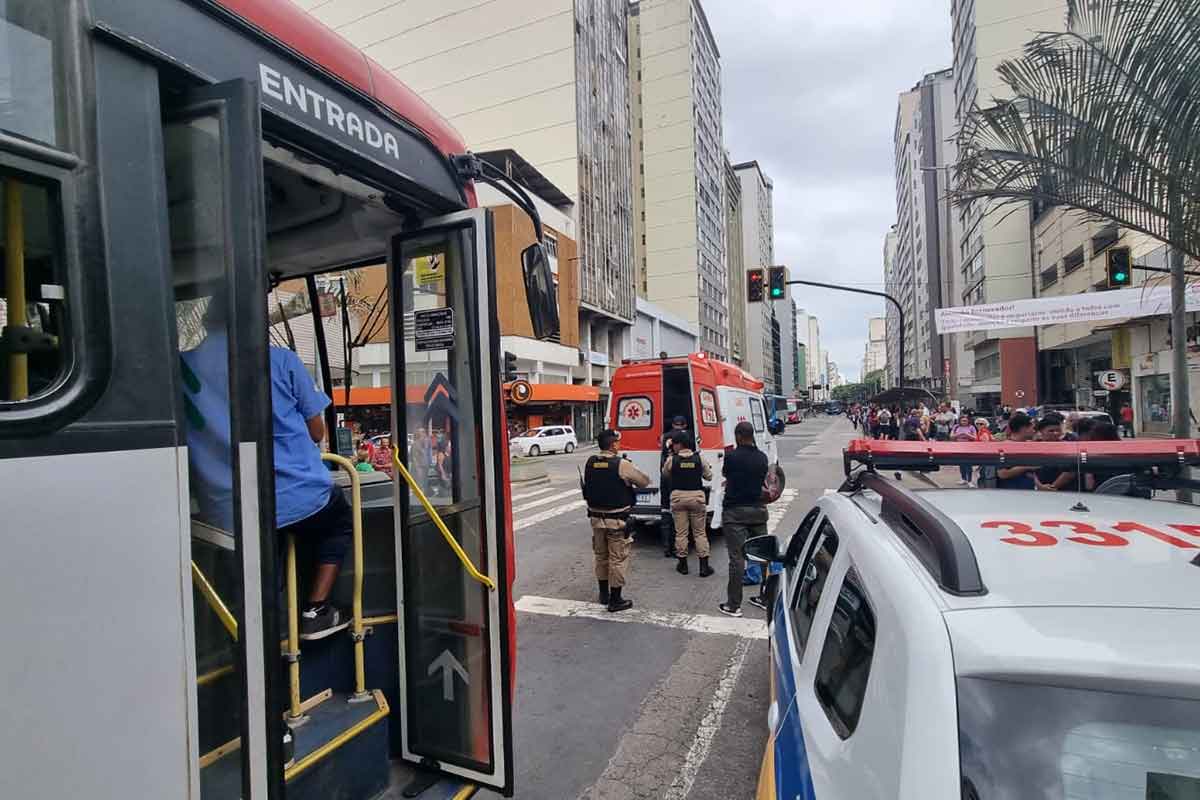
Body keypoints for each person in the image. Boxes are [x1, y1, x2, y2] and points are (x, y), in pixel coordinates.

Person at [183, 297, 351, 639]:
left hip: (225, 507)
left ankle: (259, 631)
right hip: (298, 495)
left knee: (258, 562)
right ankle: (315, 609)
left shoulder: (183, 367)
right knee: (337, 523)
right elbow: (317, 430)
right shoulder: (280, 360)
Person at [582, 429, 650, 612]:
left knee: (601, 557)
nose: (619, 445)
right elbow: (644, 482)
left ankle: (603, 594)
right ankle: (616, 599)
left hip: (596, 519)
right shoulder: (622, 464)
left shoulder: (590, 462)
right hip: (617, 521)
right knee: (617, 559)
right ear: (613, 445)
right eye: (617, 442)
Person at [719, 422, 769, 618]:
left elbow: (726, 474)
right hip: (758, 511)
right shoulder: (762, 457)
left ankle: (733, 605)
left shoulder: (732, 457)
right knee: (764, 555)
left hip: (735, 513)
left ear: (739, 436)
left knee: (737, 559)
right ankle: (765, 598)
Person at [661, 432, 714, 577]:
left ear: (679, 445)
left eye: (675, 444)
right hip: (697, 498)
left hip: (678, 499)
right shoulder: (699, 458)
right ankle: (704, 566)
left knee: (681, 533)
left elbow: (665, 474)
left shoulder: (672, 460)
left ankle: (683, 565)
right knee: (700, 533)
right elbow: (709, 476)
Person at [658, 415, 690, 558]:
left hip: (665, 476)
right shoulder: (686, 435)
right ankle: (680, 548)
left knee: (665, 510)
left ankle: (667, 548)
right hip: (680, 477)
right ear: (684, 425)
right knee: (680, 514)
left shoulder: (664, 436)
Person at [995, 412, 1042, 490]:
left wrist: (1040, 486)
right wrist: (1027, 466)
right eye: (1032, 428)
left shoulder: (1030, 445)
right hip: (1010, 493)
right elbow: (1002, 473)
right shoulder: (1004, 447)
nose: (1034, 431)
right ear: (1023, 428)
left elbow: (1031, 474)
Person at [951, 413, 977, 485]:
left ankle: (970, 480)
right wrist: (959, 434)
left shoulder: (972, 427)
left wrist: (967, 435)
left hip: (969, 448)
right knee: (961, 463)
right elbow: (951, 436)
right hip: (959, 447)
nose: (964, 422)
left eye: (966, 421)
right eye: (963, 421)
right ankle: (963, 478)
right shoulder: (956, 427)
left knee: (969, 464)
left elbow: (975, 437)